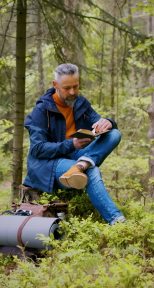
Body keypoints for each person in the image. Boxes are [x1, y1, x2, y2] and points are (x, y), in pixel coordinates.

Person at [22, 63, 126, 225]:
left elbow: (98, 122)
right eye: (67, 88)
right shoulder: (41, 111)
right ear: (55, 85)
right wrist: (72, 144)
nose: (72, 92)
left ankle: (80, 165)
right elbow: (37, 149)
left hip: (74, 156)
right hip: (48, 163)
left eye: (76, 87)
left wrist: (107, 123)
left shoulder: (80, 103)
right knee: (91, 172)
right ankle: (118, 222)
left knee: (114, 134)